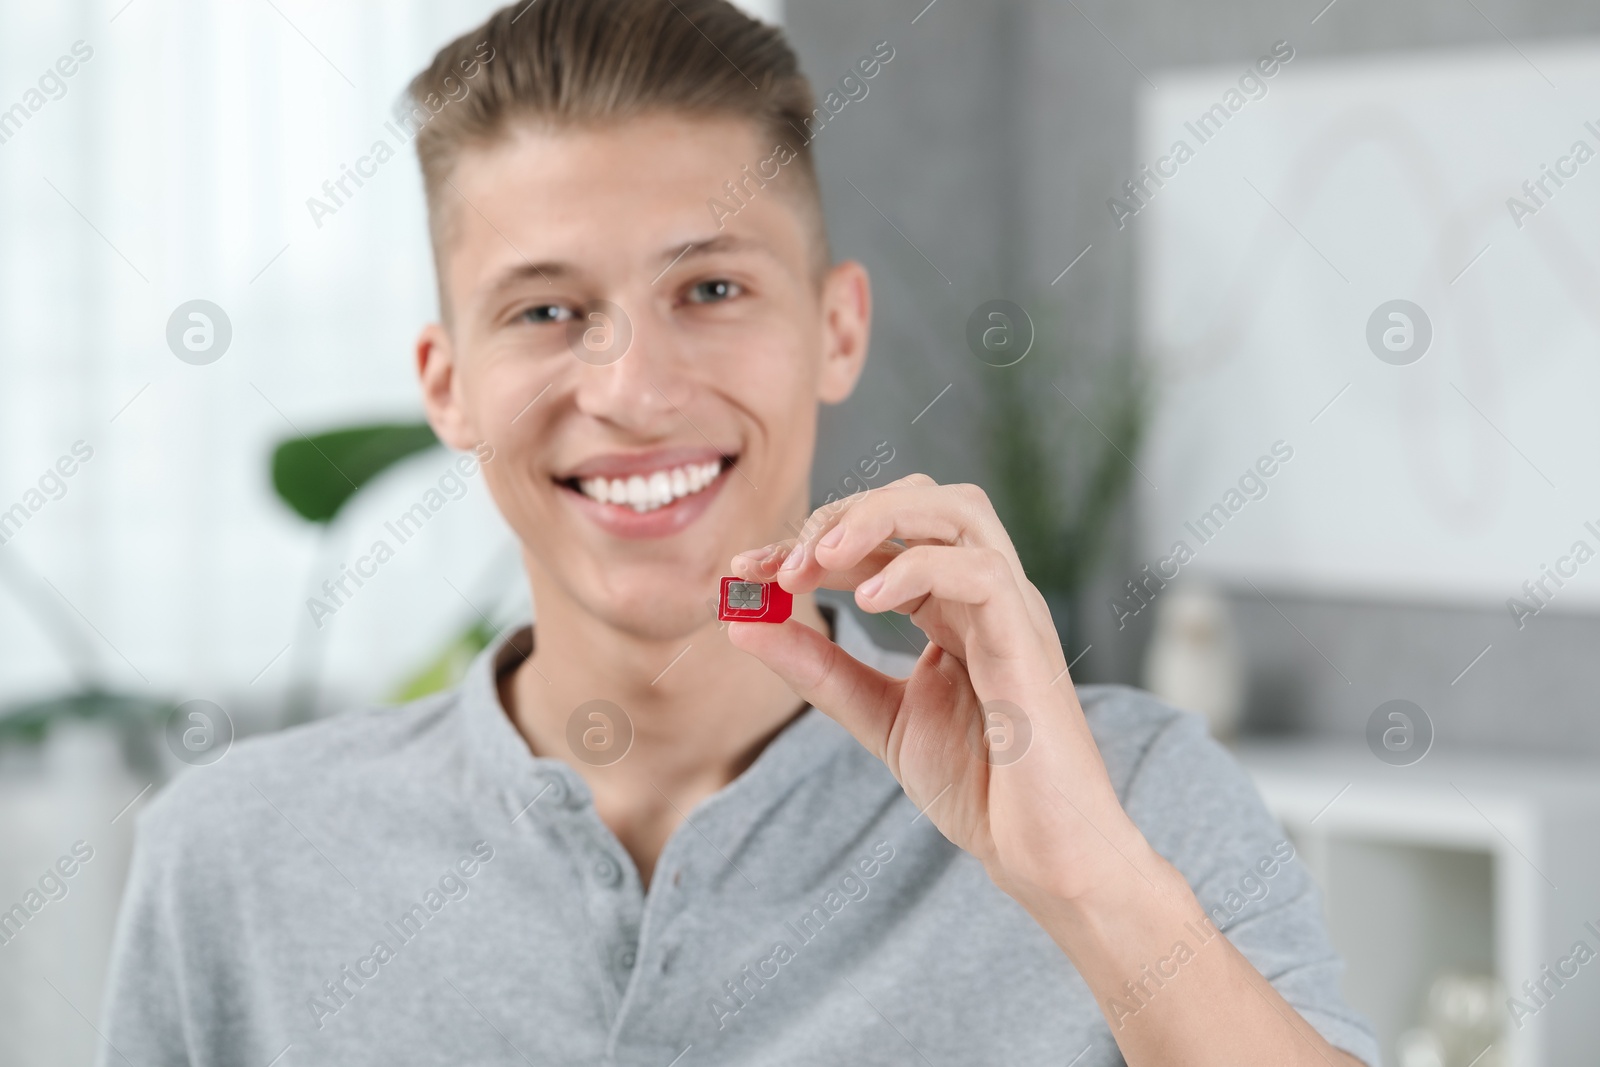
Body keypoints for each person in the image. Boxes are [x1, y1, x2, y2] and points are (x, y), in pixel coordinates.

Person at [99, 1, 1378, 1064]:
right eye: (546, 311)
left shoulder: (1130, 798)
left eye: (710, 289)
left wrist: (1089, 887)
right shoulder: (234, 856)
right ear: (447, 384)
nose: (637, 390)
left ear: (835, 327)